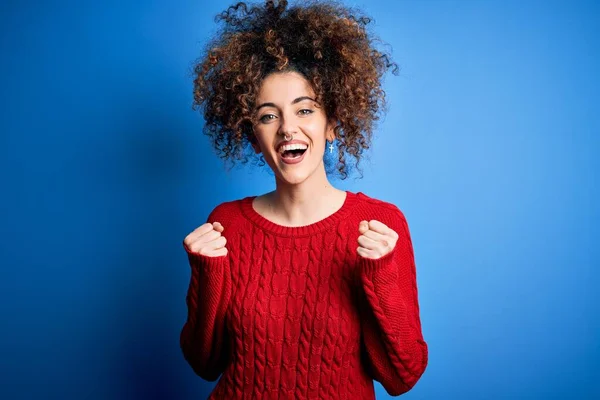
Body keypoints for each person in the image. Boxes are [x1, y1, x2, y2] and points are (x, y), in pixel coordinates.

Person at [180, 1, 428, 398]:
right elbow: (204, 364)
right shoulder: (227, 224)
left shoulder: (380, 224)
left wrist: (379, 278)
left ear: (332, 123)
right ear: (253, 135)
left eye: (305, 110)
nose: (287, 129)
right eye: (268, 116)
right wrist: (208, 275)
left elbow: (403, 377)